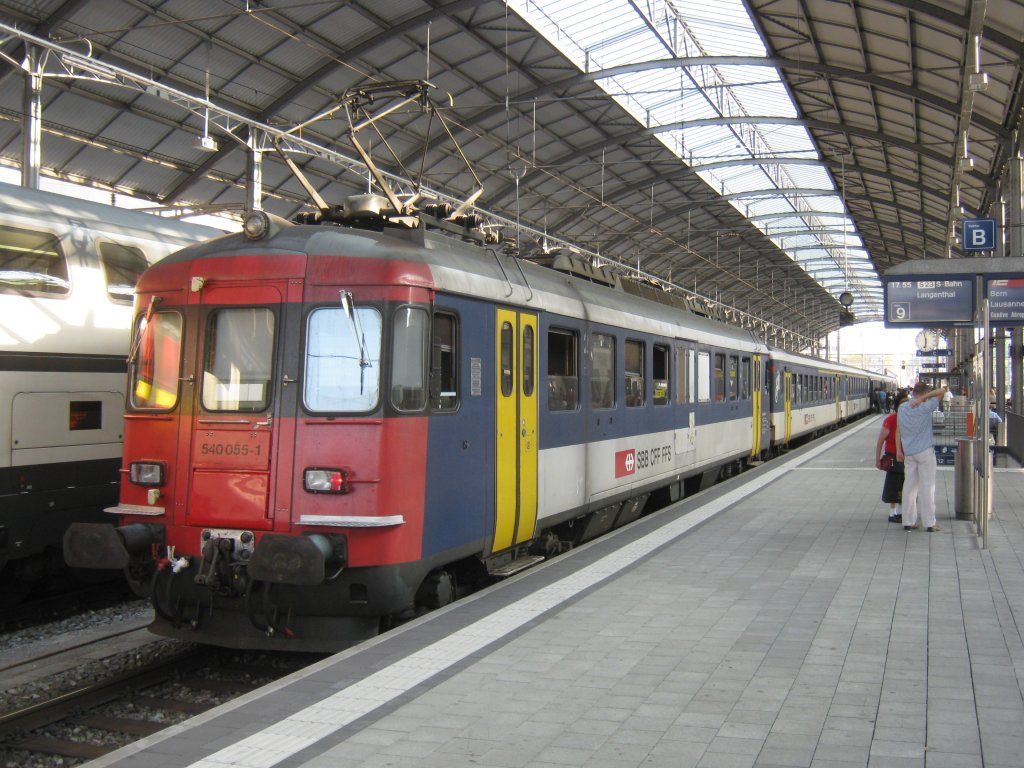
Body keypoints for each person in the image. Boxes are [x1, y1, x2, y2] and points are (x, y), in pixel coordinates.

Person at [895, 383, 947, 532]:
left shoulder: (902, 408)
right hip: (925, 452)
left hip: (909, 453)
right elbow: (942, 391)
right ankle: (930, 523)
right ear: (924, 393)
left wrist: (898, 450)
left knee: (909, 487)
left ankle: (908, 521)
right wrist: (923, 398)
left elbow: (898, 430)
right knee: (928, 486)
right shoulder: (925, 406)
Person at [875, 390, 906, 522]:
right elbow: (880, 441)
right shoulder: (890, 420)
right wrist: (877, 459)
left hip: (907, 457)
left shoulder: (910, 419)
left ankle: (901, 511)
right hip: (893, 457)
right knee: (893, 485)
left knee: (904, 485)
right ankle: (893, 513)